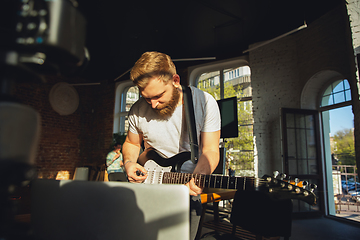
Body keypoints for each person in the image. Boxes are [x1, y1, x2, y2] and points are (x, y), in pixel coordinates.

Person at [122, 51, 221, 240]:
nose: (152, 104)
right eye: (146, 98)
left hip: (186, 192)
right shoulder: (137, 110)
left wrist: (200, 174)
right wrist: (128, 163)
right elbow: (131, 143)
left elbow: (210, 150)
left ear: (175, 80)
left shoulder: (204, 103)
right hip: (146, 190)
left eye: (158, 96)